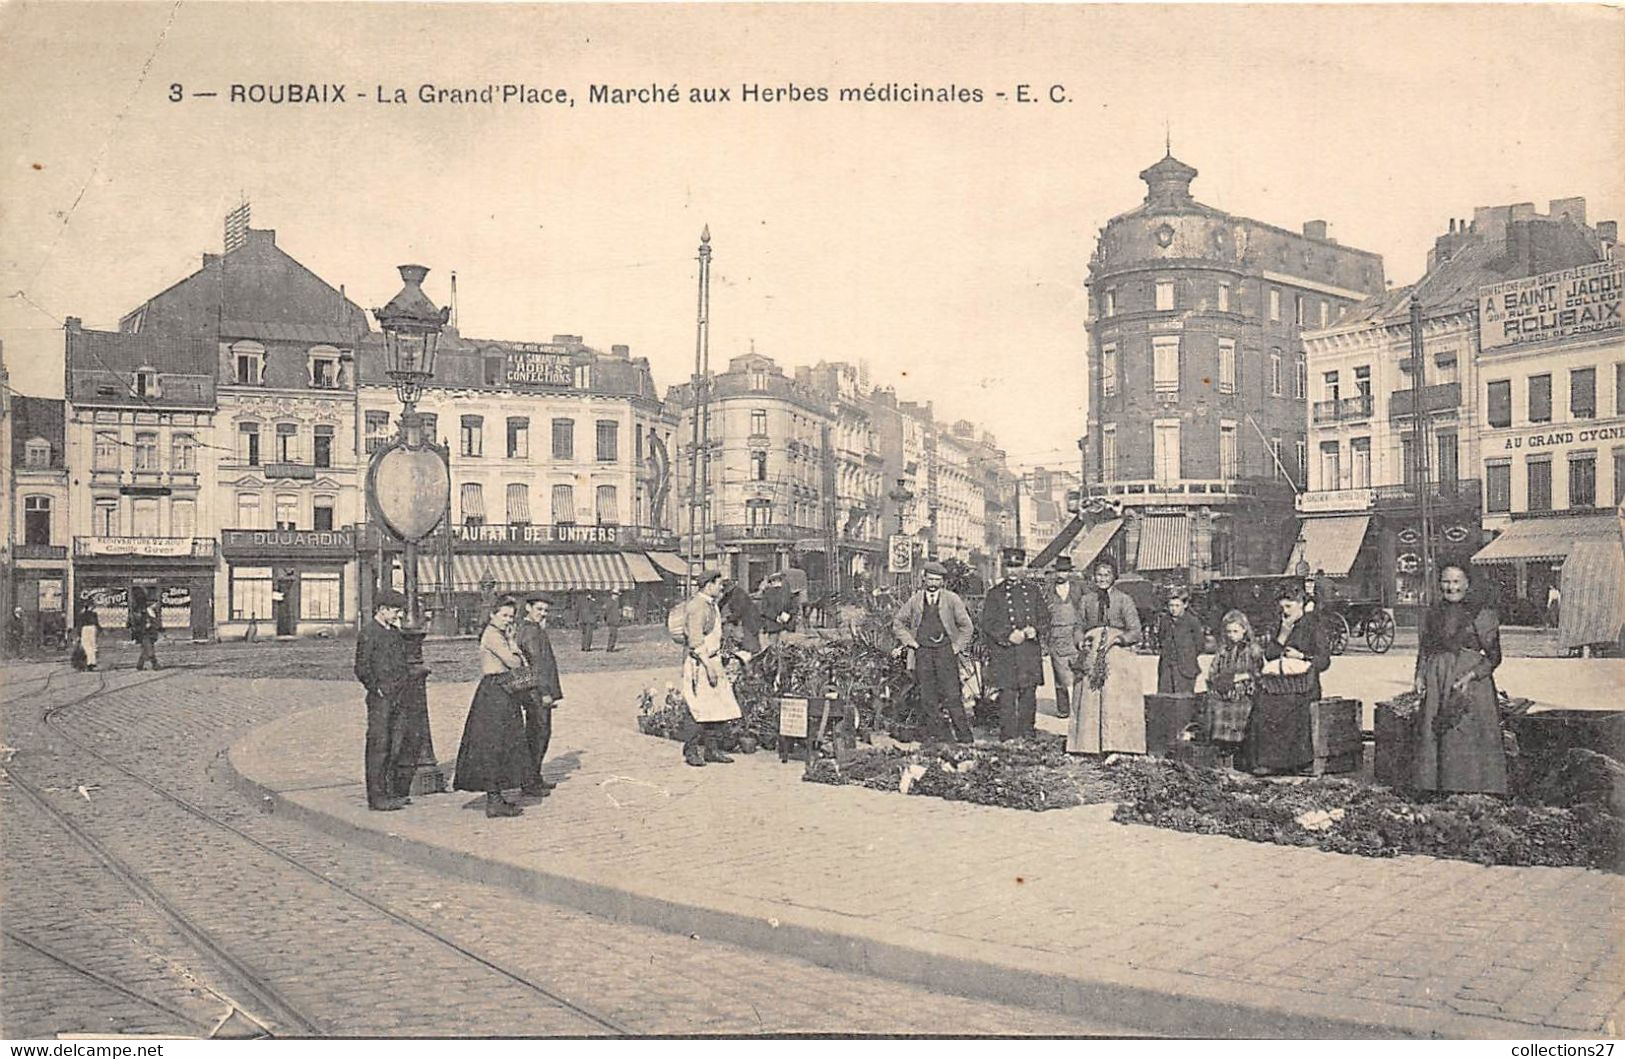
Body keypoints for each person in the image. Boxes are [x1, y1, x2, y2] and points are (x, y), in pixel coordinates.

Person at [1411, 564, 1509, 795]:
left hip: (1470, 684)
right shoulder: (1433, 612)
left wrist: (1471, 676)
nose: (1451, 587)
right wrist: (1419, 674)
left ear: (1467, 584)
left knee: (1463, 733)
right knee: (1434, 732)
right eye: (1446, 581)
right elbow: (1425, 648)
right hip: (1438, 680)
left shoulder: (1481, 614)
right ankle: (1438, 787)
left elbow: (1494, 657)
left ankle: (1472, 789)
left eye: (1456, 582)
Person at [452, 596, 533, 817]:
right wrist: (515, 646)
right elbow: (515, 662)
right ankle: (494, 799)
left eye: (511, 616)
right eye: (504, 615)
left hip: (503, 690)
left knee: (504, 742)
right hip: (495, 690)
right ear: (493, 615)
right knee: (494, 743)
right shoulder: (493, 635)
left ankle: (497, 796)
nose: (508, 620)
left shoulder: (500, 634)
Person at [1249, 584, 1332, 776]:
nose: (1285, 612)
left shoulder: (1314, 625)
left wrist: (1302, 657)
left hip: (1304, 685)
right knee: (1262, 704)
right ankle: (1267, 761)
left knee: (1291, 707)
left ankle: (1296, 762)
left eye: (1289, 607)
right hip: (1279, 684)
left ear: (1301, 604)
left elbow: (1324, 661)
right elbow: (1269, 656)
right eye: (1282, 607)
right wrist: (1283, 635)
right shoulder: (1281, 625)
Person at [892, 560, 976, 743]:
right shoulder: (915, 600)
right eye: (930, 579)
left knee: (952, 695)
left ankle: (964, 737)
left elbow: (967, 627)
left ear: (942, 582)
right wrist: (911, 643)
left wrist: (956, 647)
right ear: (924, 579)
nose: (933, 583)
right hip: (923, 653)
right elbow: (898, 623)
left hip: (946, 653)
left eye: (937, 580)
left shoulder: (952, 599)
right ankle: (934, 736)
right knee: (927, 696)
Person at [1068, 559, 1144, 754]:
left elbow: (1136, 631)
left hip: (1116, 656)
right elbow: (1078, 626)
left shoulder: (1124, 600)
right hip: (1091, 654)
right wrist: (1080, 641)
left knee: (1115, 697)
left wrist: (1119, 639)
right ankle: (1086, 745)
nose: (1102, 579)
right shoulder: (1087, 600)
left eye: (1106, 575)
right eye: (1099, 575)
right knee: (1089, 697)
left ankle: (1117, 744)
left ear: (1114, 577)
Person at [353, 589, 413, 811]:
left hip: (398, 696)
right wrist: (376, 688)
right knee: (380, 746)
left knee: (395, 744)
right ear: (382, 609)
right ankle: (377, 797)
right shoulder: (369, 633)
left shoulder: (394, 632)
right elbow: (361, 667)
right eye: (395, 610)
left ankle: (390, 792)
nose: (399, 615)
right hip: (381, 699)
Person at [679, 570, 743, 767]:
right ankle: (691, 751)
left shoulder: (710, 604)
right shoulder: (698, 606)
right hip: (701, 662)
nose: (721, 587)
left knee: (716, 707)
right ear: (708, 585)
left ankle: (712, 749)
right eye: (718, 584)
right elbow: (696, 640)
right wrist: (708, 666)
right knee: (697, 707)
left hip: (712, 659)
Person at [982, 553, 1046, 740]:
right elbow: (988, 623)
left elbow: (1044, 618)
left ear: (1023, 568)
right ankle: (1008, 734)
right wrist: (1007, 636)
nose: (1012, 571)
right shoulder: (995, 594)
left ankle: (1027, 732)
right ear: (1004, 568)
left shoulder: (1034, 591)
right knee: (1007, 694)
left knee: (1028, 693)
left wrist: (1035, 630)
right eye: (1009, 566)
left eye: (1016, 567)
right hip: (1006, 653)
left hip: (1028, 652)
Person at [514, 594, 564, 796]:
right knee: (538, 734)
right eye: (539, 609)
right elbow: (537, 665)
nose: (542, 614)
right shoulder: (531, 632)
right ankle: (530, 781)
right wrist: (545, 692)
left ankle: (535, 776)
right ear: (528, 608)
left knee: (540, 733)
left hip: (537, 690)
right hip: (537, 692)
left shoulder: (533, 629)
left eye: (545, 610)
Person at [1204, 609, 1264, 763]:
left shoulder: (1253, 650)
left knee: (1240, 705)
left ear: (1244, 630)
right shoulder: (1223, 650)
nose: (1232, 635)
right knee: (1215, 703)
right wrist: (1222, 680)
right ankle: (1223, 748)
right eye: (1229, 632)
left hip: (1245, 690)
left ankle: (1237, 749)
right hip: (1225, 689)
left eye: (1235, 631)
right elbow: (1213, 672)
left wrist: (1245, 677)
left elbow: (1261, 673)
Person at [1043, 558, 1085, 719]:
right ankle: (1063, 709)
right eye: (1059, 571)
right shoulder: (1048, 590)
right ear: (1055, 572)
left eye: (1065, 571)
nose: (1062, 574)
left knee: (1079, 671)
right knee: (1060, 675)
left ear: (1069, 572)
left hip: (1075, 633)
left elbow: (1087, 606)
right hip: (1055, 634)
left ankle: (1080, 707)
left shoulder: (1078, 588)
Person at [1156, 585, 1204, 694]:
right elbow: (1161, 638)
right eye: (1171, 605)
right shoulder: (1165, 621)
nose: (1173, 609)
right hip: (1167, 668)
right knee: (1165, 699)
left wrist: (1187, 655)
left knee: (1184, 702)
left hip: (1186, 669)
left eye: (1177, 605)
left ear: (1185, 605)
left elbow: (1200, 644)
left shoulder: (1192, 621)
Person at [761, 572, 796, 646]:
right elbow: (764, 609)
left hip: (779, 625)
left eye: (777, 580)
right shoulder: (768, 593)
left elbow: (765, 610)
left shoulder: (787, 593)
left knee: (776, 647)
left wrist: (786, 616)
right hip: (778, 625)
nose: (775, 582)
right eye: (773, 581)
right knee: (780, 647)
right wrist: (783, 616)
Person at [132, 599, 163, 671]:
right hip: (144, 634)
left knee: (145, 650)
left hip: (152, 633)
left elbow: (156, 623)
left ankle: (139, 665)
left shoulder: (154, 612)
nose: (156, 605)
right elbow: (138, 624)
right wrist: (146, 626)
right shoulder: (143, 613)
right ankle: (155, 665)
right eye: (154, 604)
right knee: (150, 650)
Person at [75, 600, 100, 671]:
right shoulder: (94, 614)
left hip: (85, 629)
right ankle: (93, 661)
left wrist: (79, 635)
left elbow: (79, 625)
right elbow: (96, 623)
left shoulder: (81, 615)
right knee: (93, 645)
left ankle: (89, 662)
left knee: (86, 646)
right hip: (92, 628)